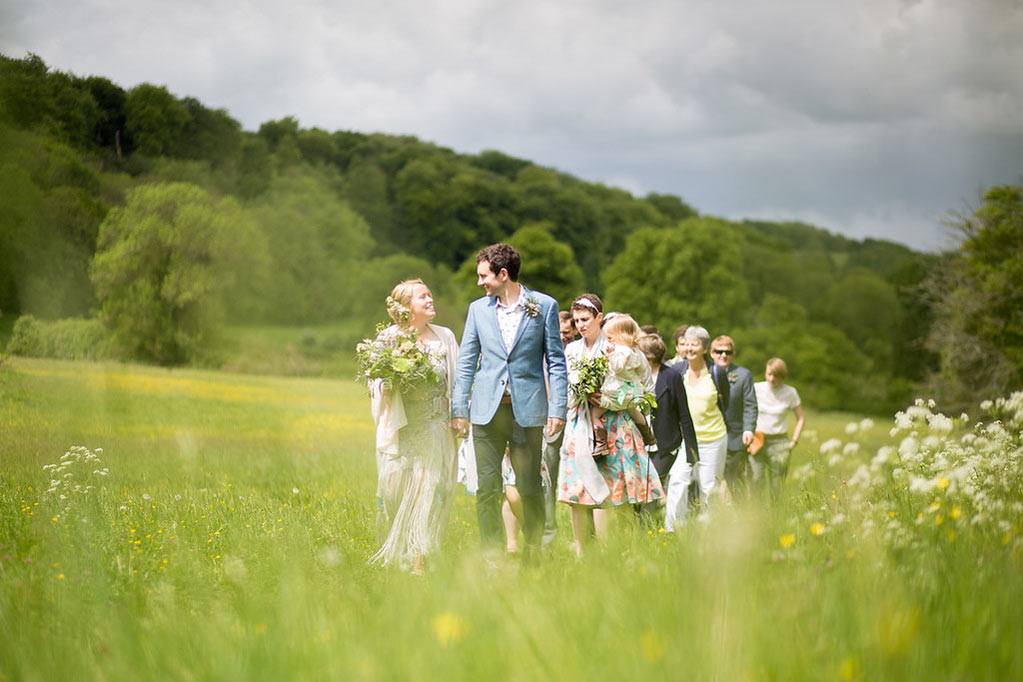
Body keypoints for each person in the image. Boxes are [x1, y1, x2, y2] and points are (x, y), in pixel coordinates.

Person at [451, 243, 568, 556]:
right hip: (486, 413)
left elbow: (556, 362)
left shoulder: (545, 306)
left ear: (503, 274)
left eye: (483, 276)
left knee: (529, 487)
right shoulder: (478, 310)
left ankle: (533, 552)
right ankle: (491, 554)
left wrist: (558, 408)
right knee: (487, 488)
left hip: (526, 412)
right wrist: (459, 409)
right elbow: (466, 361)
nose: (480, 283)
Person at [558, 295, 664, 556]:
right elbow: (565, 388)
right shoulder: (572, 350)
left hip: (616, 424)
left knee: (615, 491)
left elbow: (642, 389)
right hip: (580, 421)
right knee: (578, 492)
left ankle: (615, 551)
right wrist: (581, 392)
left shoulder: (619, 346)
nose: (581, 325)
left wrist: (608, 399)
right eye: (577, 320)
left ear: (599, 318)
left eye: (586, 319)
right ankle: (582, 550)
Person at [368, 279, 460, 574]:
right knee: (394, 489)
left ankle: (419, 559)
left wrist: (459, 416)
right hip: (401, 426)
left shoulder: (444, 337)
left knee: (429, 490)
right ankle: (399, 550)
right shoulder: (388, 340)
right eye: (424, 297)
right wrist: (390, 383)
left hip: (435, 425)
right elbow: (375, 382)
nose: (431, 300)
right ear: (406, 307)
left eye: (430, 295)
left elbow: (456, 381)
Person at [664, 325, 730, 529]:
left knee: (709, 486)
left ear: (704, 348)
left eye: (696, 344)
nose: (690, 348)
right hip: (687, 439)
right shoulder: (677, 371)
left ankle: (708, 530)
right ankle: (673, 530)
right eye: (688, 344)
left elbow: (725, 402)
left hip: (713, 438)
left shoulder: (716, 372)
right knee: (677, 480)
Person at [636, 334, 698, 489]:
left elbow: (684, 414)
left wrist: (692, 452)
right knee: (640, 491)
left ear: (647, 356)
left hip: (664, 445)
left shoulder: (671, 376)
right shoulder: (634, 375)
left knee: (651, 487)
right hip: (639, 442)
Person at [589, 315, 655, 454]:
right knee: (634, 410)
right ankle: (647, 434)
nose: (609, 340)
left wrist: (609, 356)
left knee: (594, 414)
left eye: (611, 337)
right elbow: (643, 371)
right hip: (632, 391)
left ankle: (601, 444)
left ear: (622, 336)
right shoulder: (636, 351)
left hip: (617, 393)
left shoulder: (621, 351)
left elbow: (618, 367)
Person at [541, 312, 579, 543]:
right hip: (549, 424)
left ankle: (587, 536)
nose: (563, 337)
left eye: (566, 333)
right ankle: (548, 535)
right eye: (559, 333)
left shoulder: (578, 352)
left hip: (577, 422)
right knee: (547, 480)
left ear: (573, 331)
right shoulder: (543, 352)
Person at [710, 335, 757, 500]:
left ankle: (741, 516)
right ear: (711, 353)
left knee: (734, 479)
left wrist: (749, 429)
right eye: (719, 351)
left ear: (733, 354)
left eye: (727, 352)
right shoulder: (704, 373)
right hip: (709, 436)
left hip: (736, 436)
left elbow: (750, 405)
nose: (723, 355)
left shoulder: (744, 375)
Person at [751, 357, 806, 499]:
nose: (771, 378)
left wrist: (794, 441)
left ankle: (775, 515)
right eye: (769, 374)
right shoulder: (756, 388)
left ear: (782, 376)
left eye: (775, 375)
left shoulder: (790, 392)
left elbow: (800, 418)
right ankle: (755, 515)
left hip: (780, 442)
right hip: (758, 439)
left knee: (777, 485)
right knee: (756, 480)